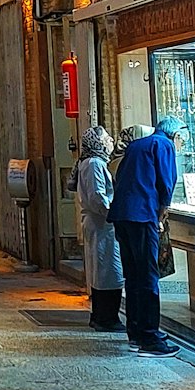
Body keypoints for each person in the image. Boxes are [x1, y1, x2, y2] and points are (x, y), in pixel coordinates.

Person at [107, 115, 183, 357]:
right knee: (148, 275)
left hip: (122, 214)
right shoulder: (164, 145)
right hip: (142, 216)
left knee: (133, 275)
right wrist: (163, 211)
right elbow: (166, 181)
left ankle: (136, 332)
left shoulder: (137, 144)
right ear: (176, 135)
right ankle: (150, 338)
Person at [75, 126, 123, 331]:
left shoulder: (94, 162)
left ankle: (102, 315)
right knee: (107, 270)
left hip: (101, 224)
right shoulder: (94, 163)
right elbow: (97, 195)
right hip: (102, 224)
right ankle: (106, 317)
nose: (111, 141)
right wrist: (112, 212)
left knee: (103, 269)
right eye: (106, 138)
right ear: (97, 142)